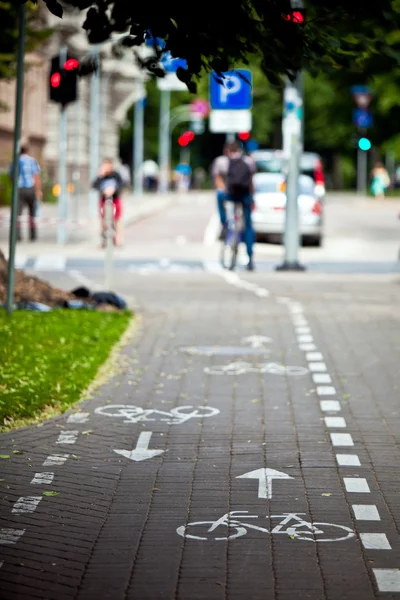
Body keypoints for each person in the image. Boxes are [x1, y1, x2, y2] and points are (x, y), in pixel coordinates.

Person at [213, 140, 256, 271]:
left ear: (226, 150)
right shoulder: (249, 161)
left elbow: (218, 180)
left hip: (229, 195)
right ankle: (250, 256)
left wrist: (224, 189)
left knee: (219, 196)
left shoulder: (221, 161)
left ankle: (224, 222)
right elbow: (251, 181)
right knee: (248, 225)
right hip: (245, 196)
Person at [9, 143, 42, 242]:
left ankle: (17, 236)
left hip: (19, 189)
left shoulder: (15, 161)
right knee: (32, 213)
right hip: (30, 188)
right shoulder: (32, 161)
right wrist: (38, 190)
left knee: (17, 214)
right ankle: (33, 236)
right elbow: (36, 176)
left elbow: (11, 176)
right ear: (27, 151)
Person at [92, 159, 124, 247]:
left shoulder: (115, 175)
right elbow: (94, 185)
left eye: (108, 166)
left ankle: (118, 240)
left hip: (115, 199)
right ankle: (103, 241)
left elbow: (121, 184)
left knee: (117, 220)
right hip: (104, 200)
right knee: (103, 220)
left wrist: (114, 190)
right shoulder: (101, 176)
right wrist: (100, 176)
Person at [211, 143, 230, 237]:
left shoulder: (220, 161)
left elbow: (217, 177)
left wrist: (221, 189)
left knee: (221, 204)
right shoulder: (245, 160)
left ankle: (224, 225)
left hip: (225, 191)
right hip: (240, 191)